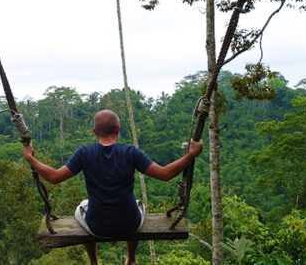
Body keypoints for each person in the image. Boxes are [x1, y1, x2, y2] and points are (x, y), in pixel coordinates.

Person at [21, 109, 203, 265]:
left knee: (82, 206)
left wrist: (30, 158)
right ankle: (131, 259)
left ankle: (94, 261)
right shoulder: (131, 152)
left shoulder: (84, 153)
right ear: (118, 130)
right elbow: (165, 174)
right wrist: (191, 155)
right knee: (138, 203)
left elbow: (54, 177)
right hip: (130, 224)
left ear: (95, 132)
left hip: (97, 226)